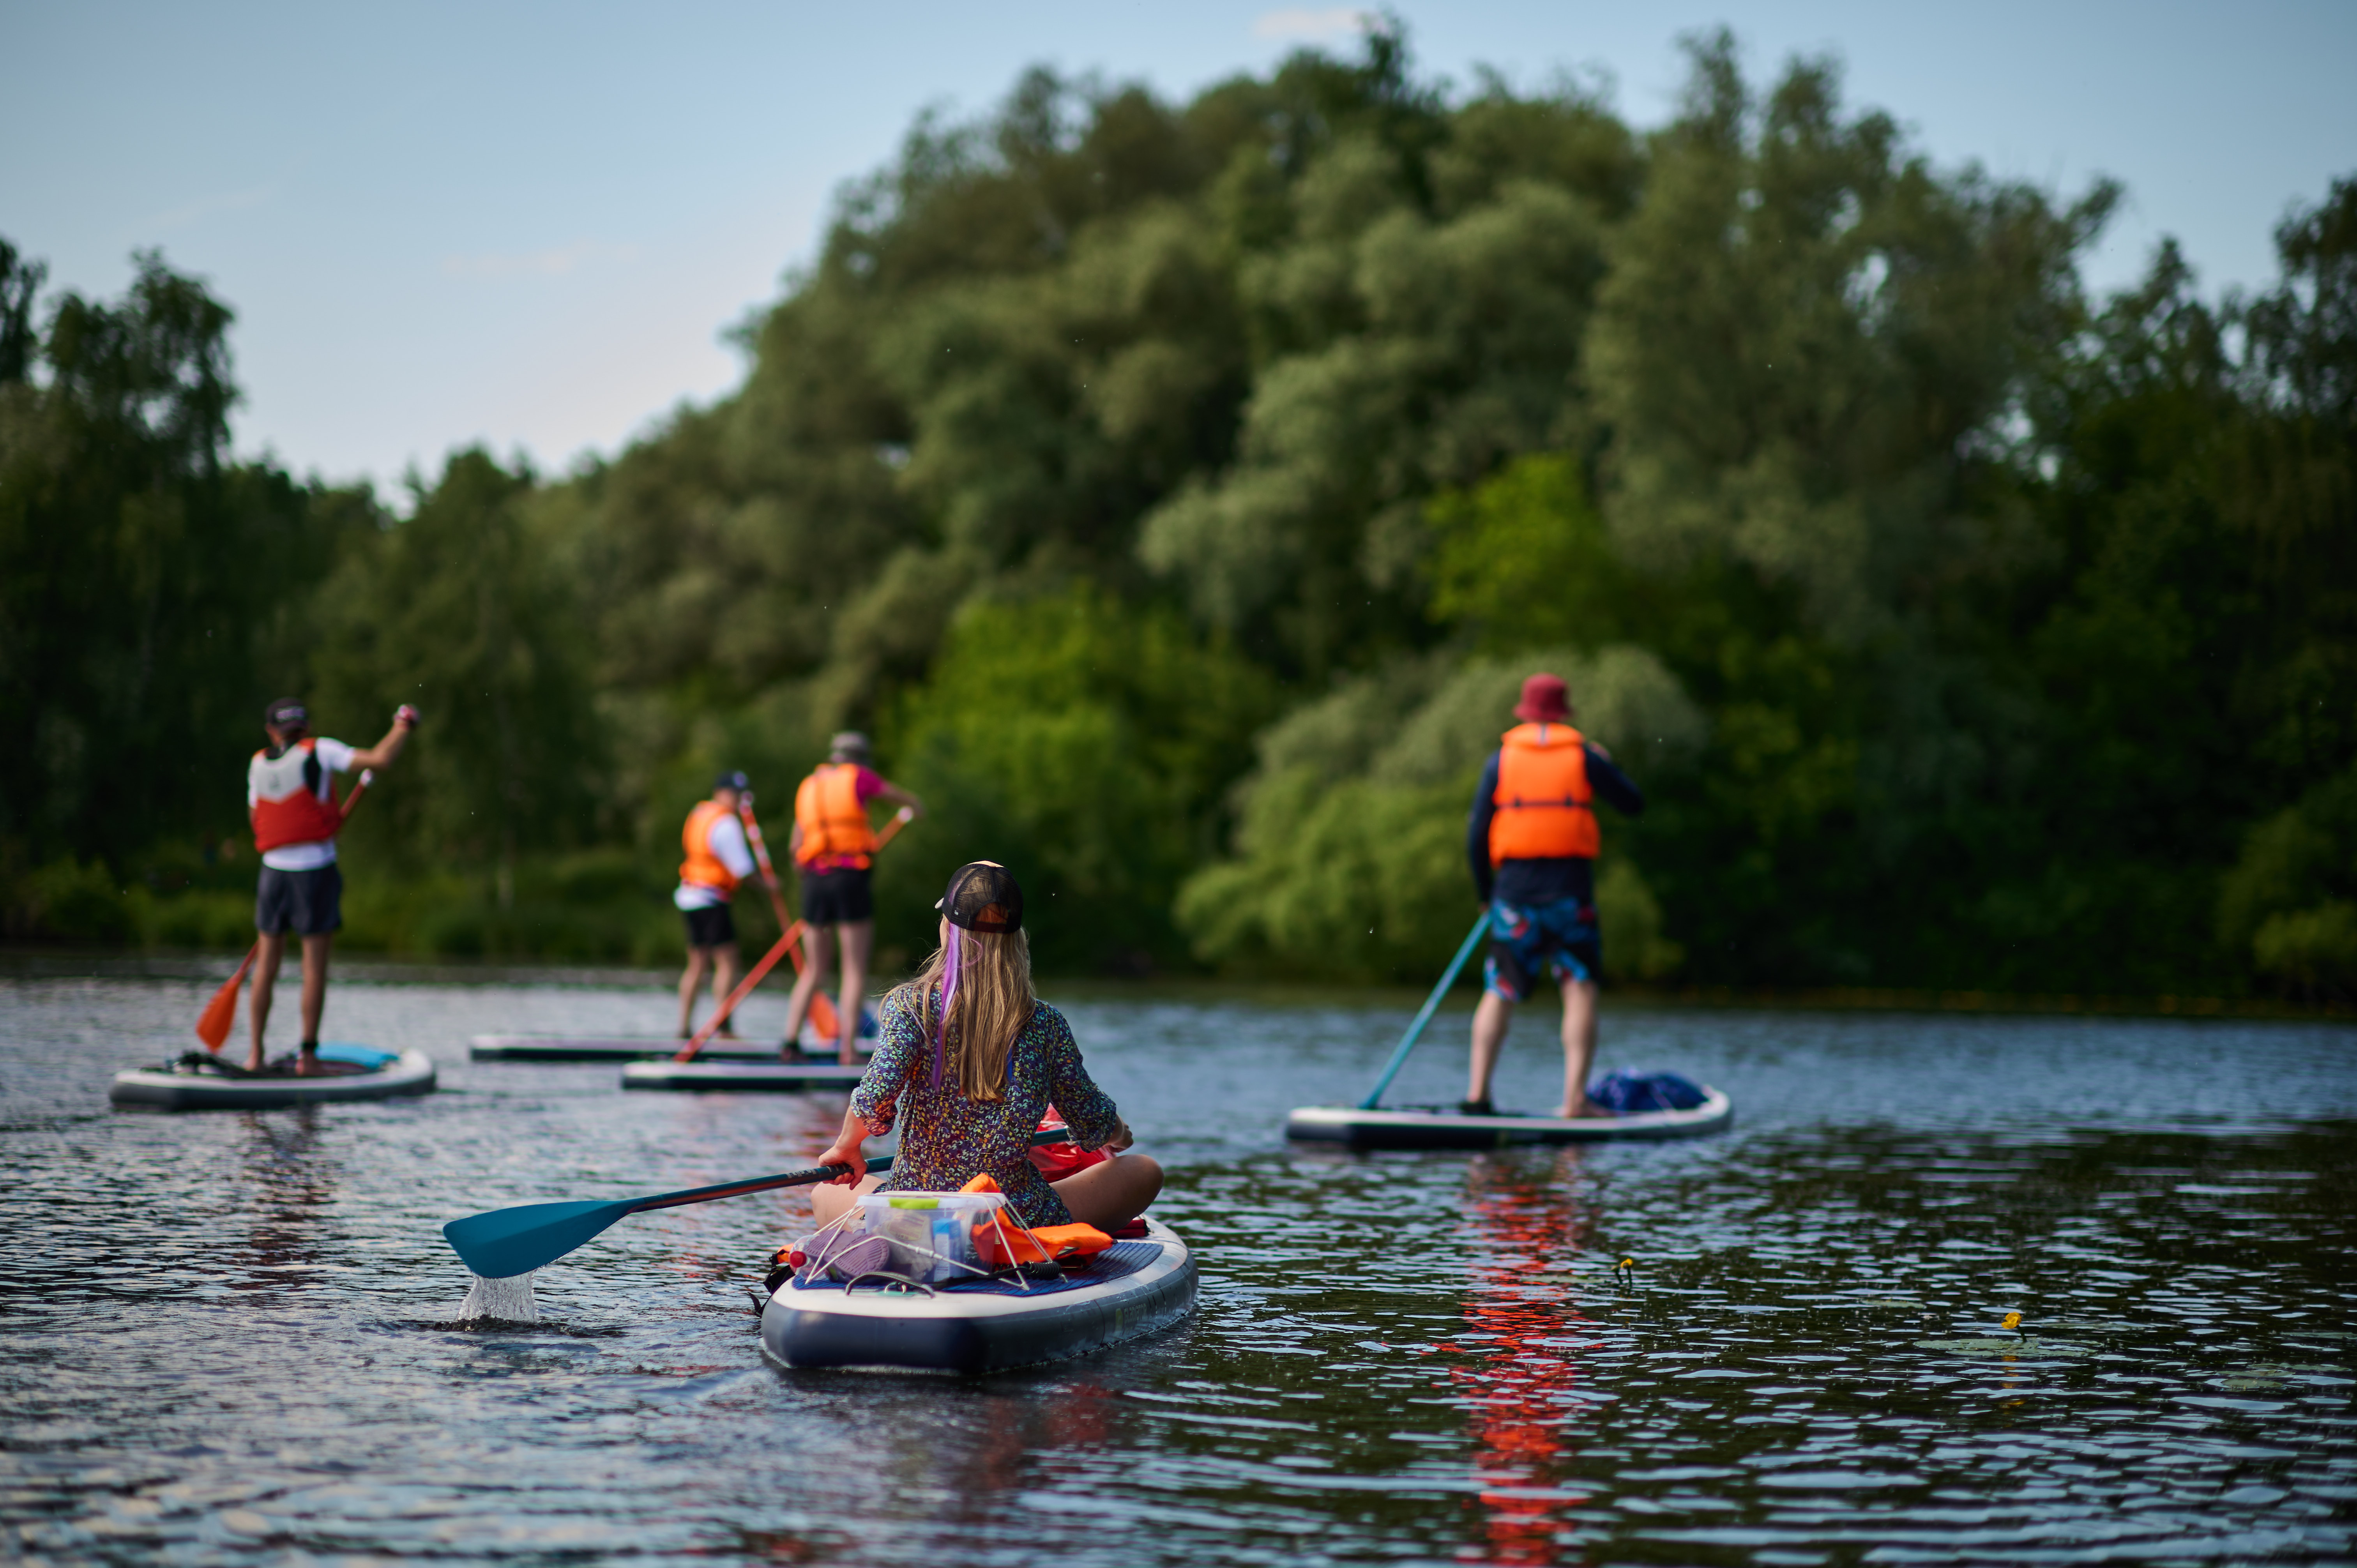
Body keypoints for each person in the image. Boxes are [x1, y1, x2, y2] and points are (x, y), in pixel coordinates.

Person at [813, 861, 1162, 1234]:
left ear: (948, 929)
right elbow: (1091, 1117)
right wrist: (1118, 1132)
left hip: (917, 1216)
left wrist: (847, 1148)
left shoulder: (910, 1006)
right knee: (1145, 1170)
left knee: (822, 1192)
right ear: (1016, 938)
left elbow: (874, 1097)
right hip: (1014, 1218)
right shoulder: (1045, 1023)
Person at [1462, 673, 1644, 1119]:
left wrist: (1486, 895)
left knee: (1499, 989)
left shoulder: (1500, 761)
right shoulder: (1583, 757)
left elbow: (1475, 835)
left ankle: (1477, 1097)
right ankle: (1575, 1101)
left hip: (1514, 896)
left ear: (1523, 712)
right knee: (1579, 990)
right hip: (1570, 896)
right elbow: (1633, 804)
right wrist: (1605, 763)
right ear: (1565, 714)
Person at [246, 697, 417, 1073]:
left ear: (272, 731)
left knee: (265, 969)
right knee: (314, 969)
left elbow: (257, 820)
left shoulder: (257, 764)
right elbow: (380, 760)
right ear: (304, 728)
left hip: (271, 874)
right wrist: (401, 726)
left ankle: (254, 1056)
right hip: (314, 871)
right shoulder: (319, 751)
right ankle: (308, 1058)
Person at [779, 731, 924, 1063]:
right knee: (854, 967)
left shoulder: (810, 786)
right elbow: (899, 797)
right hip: (849, 878)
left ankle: (789, 1043)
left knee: (813, 968)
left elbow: (794, 847)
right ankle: (847, 1050)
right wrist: (916, 805)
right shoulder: (859, 778)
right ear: (860, 758)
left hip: (815, 881)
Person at [675, 771, 762, 1038]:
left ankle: (684, 1028)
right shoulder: (726, 823)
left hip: (689, 897)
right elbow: (743, 870)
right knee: (727, 963)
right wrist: (768, 885)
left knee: (698, 964)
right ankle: (724, 1030)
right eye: (735, 794)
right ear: (721, 793)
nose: (738, 800)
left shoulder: (699, 813)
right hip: (711, 900)